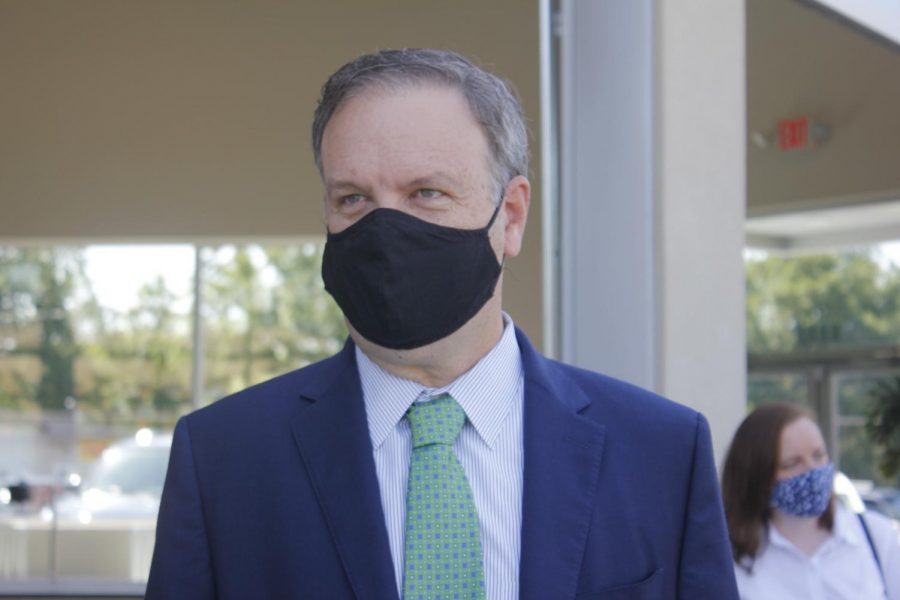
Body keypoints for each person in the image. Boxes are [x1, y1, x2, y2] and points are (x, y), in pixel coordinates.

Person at [146, 48, 738, 599]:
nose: (384, 232)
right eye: (352, 199)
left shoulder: (661, 453)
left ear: (510, 216)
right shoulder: (224, 461)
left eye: (426, 193)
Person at [722, 403, 900, 599]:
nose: (811, 470)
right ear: (757, 475)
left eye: (818, 455)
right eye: (792, 463)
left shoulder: (877, 537)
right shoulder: (732, 557)